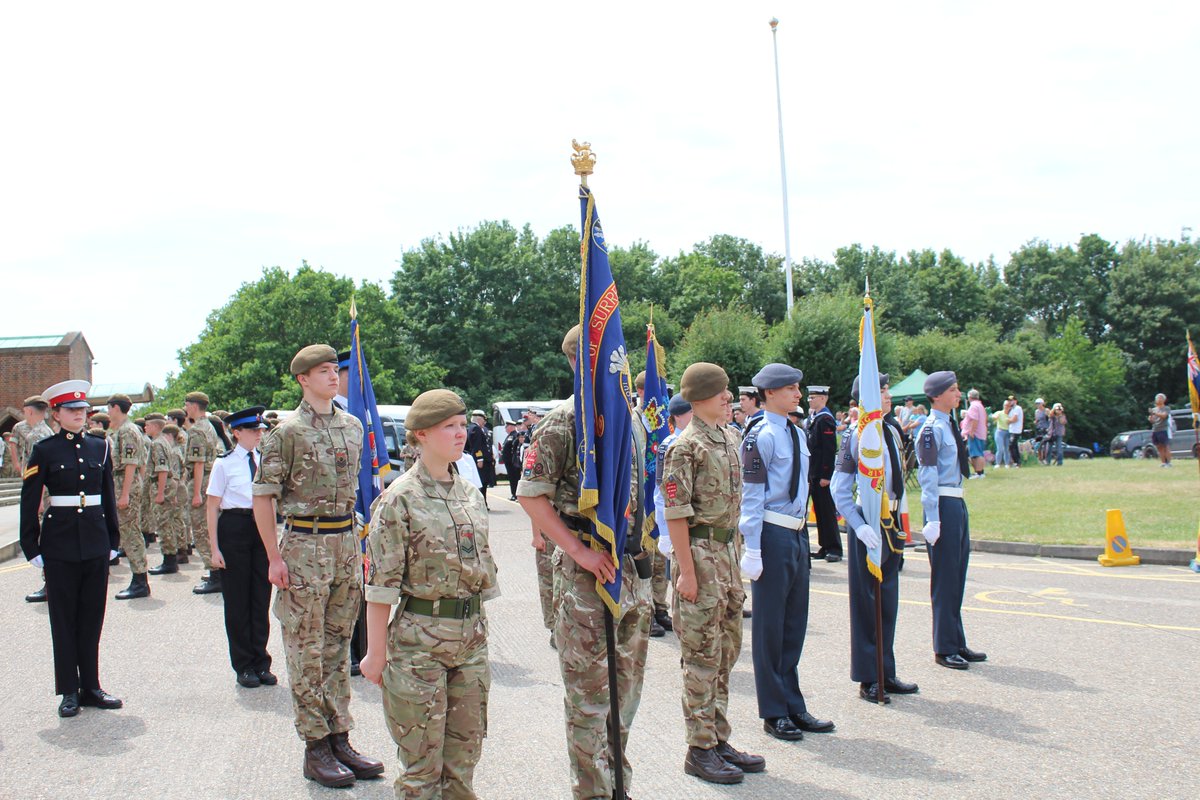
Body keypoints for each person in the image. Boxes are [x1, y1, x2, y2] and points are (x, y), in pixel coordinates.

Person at [516, 324, 652, 800]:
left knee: (625, 694)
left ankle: (619, 786)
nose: (620, 362)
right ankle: (593, 792)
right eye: (610, 354)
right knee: (589, 697)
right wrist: (576, 550)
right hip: (583, 573)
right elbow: (530, 494)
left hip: (628, 571)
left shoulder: (627, 418)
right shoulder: (563, 421)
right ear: (582, 360)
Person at [252, 344, 383, 788]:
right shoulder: (285, 432)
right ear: (303, 379)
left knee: (337, 646)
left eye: (335, 370)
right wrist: (273, 556)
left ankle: (340, 736)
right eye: (323, 371)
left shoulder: (351, 426)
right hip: (304, 545)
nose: (333, 376)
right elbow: (263, 496)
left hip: (345, 543)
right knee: (305, 650)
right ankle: (315, 746)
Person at [360, 389, 500, 799]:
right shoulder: (399, 498)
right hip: (419, 643)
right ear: (420, 435)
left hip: (470, 639)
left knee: (463, 762)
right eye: (448, 427)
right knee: (421, 768)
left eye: (462, 426)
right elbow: (379, 586)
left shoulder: (469, 493)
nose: (460, 434)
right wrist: (375, 652)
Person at [659, 363, 764, 785]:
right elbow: (677, 514)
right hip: (699, 557)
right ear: (701, 397)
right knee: (701, 657)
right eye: (721, 392)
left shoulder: (729, 436)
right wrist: (685, 571)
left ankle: (719, 738)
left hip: (725, 554)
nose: (729, 398)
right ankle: (698, 748)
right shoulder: (685, 447)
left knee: (725, 652)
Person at [738, 363, 835, 742]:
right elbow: (752, 496)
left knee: (794, 623)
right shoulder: (758, 435)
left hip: (796, 533)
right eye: (791, 389)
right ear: (771, 393)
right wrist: (754, 546)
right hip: (773, 532)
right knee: (770, 627)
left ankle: (794, 703)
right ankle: (774, 710)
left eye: (798, 388)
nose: (798, 394)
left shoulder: (796, 432)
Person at [20, 380, 123, 717]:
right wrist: (30, 543)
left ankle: (91, 686)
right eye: (72, 410)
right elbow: (30, 499)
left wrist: (113, 539)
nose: (80, 415)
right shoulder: (45, 450)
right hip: (60, 541)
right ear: (57, 413)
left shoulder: (100, 446)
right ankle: (68, 690)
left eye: (83, 410)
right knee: (63, 618)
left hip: (94, 539)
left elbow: (107, 495)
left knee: (92, 615)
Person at [831, 374, 919, 704]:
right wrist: (857, 524)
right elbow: (840, 490)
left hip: (890, 519)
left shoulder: (891, 430)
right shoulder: (856, 435)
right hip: (867, 523)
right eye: (881, 390)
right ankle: (869, 676)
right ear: (865, 396)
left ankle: (886, 670)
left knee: (889, 600)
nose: (888, 395)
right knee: (867, 604)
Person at [916, 371, 987, 670]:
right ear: (936, 395)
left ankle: (956, 639)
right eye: (953, 390)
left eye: (958, 390)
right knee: (945, 579)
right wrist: (932, 517)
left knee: (957, 575)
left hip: (956, 500)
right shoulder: (931, 429)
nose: (958, 395)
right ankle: (944, 647)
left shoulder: (949, 426)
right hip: (942, 504)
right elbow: (927, 476)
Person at [209, 406, 276, 689]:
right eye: (252, 430)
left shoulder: (266, 461)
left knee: (260, 598)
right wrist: (214, 548)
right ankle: (243, 664)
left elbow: (271, 503)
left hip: (260, 528)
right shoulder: (223, 464)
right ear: (236, 433)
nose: (258, 435)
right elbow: (212, 506)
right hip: (234, 527)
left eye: (260, 430)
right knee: (237, 601)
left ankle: (261, 661)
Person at [106, 393, 151, 600]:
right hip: (127, 483)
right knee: (129, 530)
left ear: (116, 408)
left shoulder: (127, 431)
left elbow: (132, 464)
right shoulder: (126, 430)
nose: (108, 413)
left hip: (126, 484)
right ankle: (139, 578)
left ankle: (140, 580)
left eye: (109, 408)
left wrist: (125, 494)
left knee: (130, 531)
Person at [16, 396, 55, 604]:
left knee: (44, 540)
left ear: (29, 411)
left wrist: (37, 500)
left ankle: (49, 584)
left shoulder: (35, 435)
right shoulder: (47, 432)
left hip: (43, 495)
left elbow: (36, 473)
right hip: (49, 494)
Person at [186, 391, 226, 594]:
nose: (185, 408)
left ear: (193, 406)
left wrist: (196, 493)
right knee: (211, 528)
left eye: (187, 405)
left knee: (202, 529)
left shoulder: (196, 430)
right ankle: (216, 571)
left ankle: (215, 574)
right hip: (211, 480)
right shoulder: (209, 426)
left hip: (202, 483)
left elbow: (198, 463)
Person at [805, 385, 841, 563]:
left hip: (821, 474)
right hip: (813, 473)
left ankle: (834, 547)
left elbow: (828, 449)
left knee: (826, 511)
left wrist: (826, 475)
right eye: (809, 397)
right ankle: (824, 545)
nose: (809, 400)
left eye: (813, 397)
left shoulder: (825, 419)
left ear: (823, 398)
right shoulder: (814, 418)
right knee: (819, 511)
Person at [150, 422, 188, 574]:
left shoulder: (159, 444)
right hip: (169, 486)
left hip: (164, 486)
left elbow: (163, 469)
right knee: (169, 522)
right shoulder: (165, 445)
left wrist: (160, 493)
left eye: (148, 424)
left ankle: (170, 560)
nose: (146, 428)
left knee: (164, 523)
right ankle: (171, 557)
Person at [466, 410, 496, 509]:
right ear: (479, 419)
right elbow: (476, 446)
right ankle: (481, 503)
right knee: (481, 483)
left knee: (483, 482)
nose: (484, 422)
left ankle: (483, 503)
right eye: (484, 419)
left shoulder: (473, 428)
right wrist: (480, 459)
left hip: (482, 459)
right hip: (480, 460)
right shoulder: (476, 429)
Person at [960, 389, 987, 479]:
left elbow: (975, 419)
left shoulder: (974, 406)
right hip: (981, 432)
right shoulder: (980, 405)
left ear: (970, 397)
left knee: (976, 454)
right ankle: (980, 472)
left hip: (975, 433)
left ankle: (979, 473)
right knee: (979, 453)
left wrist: (972, 431)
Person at [499, 420, 521, 500]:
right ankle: (514, 493)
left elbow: (514, 449)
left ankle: (515, 494)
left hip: (512, 462)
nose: (505, 428)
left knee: (514, 478)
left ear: (511, 427)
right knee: (512, 478)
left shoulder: (515, 435)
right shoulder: (509, 436)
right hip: (508, 462)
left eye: (506, 426)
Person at [1149, 394, 1172, 467]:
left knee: (1166, 446)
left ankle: (1168, 463)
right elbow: (1152, 420)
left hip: (1163, 429)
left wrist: (1155, 413)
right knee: (1159, 447)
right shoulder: (1154, 409)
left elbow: (1164, 416)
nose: (1159, 399)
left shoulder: (1166, 408)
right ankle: (1163, 462)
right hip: (1155, 429)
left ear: (1164, 400)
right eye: (1158, 398)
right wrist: (1150, 419)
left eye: (1161, 398)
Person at [991, 400, 1011, 469]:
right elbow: (994, 416)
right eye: (1005, 405)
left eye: (1008, 405)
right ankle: (997, 463)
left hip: (1008, 432)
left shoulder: (1010, 414)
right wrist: (994, 417)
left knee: (1007, 449)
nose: (1006, 407)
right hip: (1000, 432)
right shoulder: (999, 413)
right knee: (1000, 448)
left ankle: (1007, 463)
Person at [1006, 396, 1024, 467]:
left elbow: (1014, 419)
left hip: (1016, 430)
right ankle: (1017, 462)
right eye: (1009, 401)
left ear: (1015, 401)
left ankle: (1017, 462)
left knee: (1012, 445)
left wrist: (1007, 421)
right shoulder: (1011, 409)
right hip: (1011, 429)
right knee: (1014, 446)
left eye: (1012, 400)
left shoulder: (1017, 408)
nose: (1010, 402)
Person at [1033, 398, 1050, 464]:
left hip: (1045, 429)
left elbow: (1050, 419)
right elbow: (1036, 420)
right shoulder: (1036, 411)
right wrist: (1035, 422)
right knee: (1038, 444)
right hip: (1039, 429)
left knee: (1045, 445)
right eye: (1036, 404)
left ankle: (1045, 459)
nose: (1037, 405)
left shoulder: (1046, 410)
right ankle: (1040, 459)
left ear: (1042, 404)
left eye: (1038, 403)